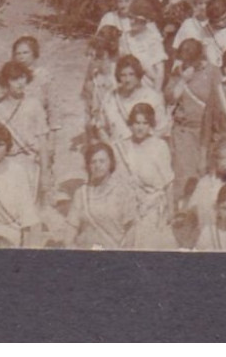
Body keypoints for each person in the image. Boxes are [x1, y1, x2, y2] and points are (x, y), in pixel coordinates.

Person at [113, 103, 178, 250]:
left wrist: (171, 212)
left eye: (145, 123)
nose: (140, 127)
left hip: (152, 208)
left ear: (150, 125)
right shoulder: (122, 147)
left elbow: (169, 183)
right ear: (131, 124)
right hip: (128, 207)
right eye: (137, 123)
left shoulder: (159, 146)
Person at [0, 60, 50, 198]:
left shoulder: (34, 104)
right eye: (14, 79)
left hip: (28, 162)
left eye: (22, 77)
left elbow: (43, 140)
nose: (20, 83)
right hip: (4, 163)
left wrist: (45, 173)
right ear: (5, 82)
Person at [67, 142, 138, 249]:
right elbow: (71, 228)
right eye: (93, 162)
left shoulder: (123, 192)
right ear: (88, 166)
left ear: (111, 163)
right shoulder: (81, 193)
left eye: (102, 161)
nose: (97, 165)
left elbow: (131, 229)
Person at [164, 38, 214, 183]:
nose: (187, 63)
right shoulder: (178, 72)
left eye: (191, 60)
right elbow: (170, 98)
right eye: (184, 60)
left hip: (207, 132)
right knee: (186, 178)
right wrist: (183, 80)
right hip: (184, 132)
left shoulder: (212, 72)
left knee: (207, 177)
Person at [97, 55, 167, 148]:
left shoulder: (152, 98)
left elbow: (161, 129)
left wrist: (145, 148)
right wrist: (111, 148)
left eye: (131, 74)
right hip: (118, 153)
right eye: (123, 75)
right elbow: (101, 127)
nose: (127, 80)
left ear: (138, 75)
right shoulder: (111, 97)